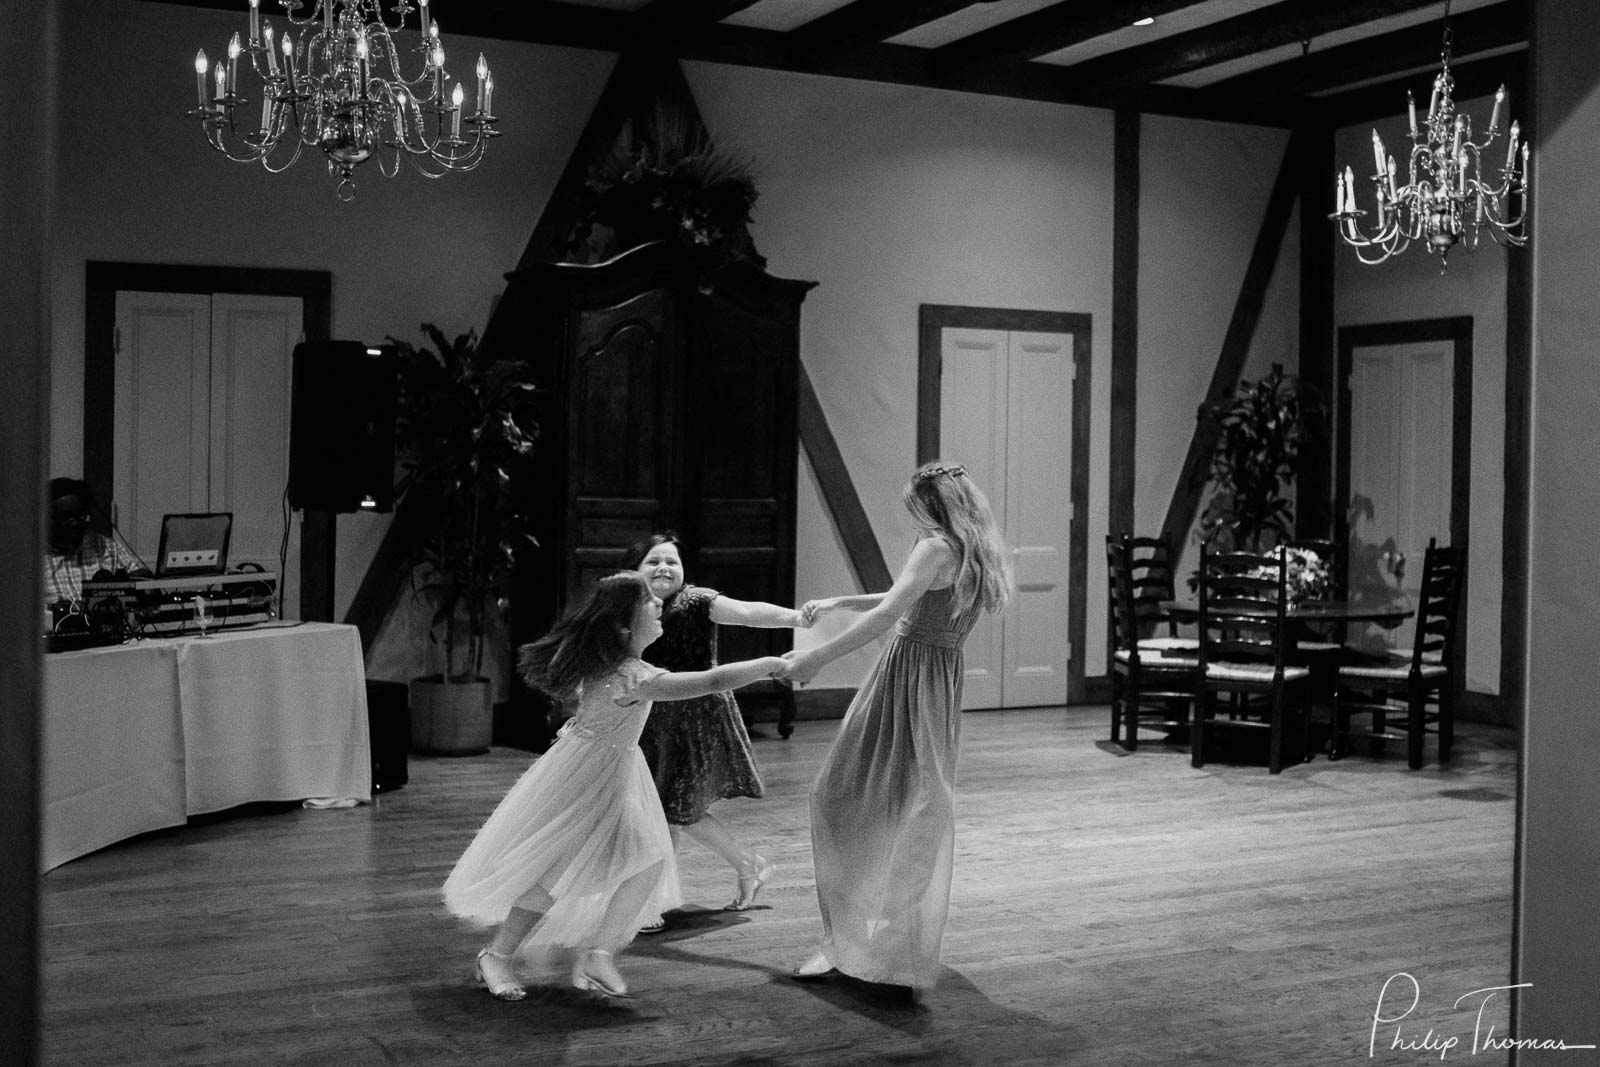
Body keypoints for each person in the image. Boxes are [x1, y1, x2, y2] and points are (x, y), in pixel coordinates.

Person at [442, 571, 786, 1002]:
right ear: (626, 625)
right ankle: (497, 954)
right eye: (648, 602)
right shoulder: (631, 678)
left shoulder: (622, 669)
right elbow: (711, 682)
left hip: (610, 771)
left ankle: (599, 953)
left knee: (647, 859)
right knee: (554, 872)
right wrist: (771, 665)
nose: (659, 604)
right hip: (587, 778)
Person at [776, 461, 1011, 995]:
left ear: (935, 507)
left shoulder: (933, 548)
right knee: (910, 802)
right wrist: (839, 603)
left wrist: (815, 660)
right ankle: (874, 938)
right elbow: (900, 600)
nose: (912, 522)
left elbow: (889, 618)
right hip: (935, 683)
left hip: (906, 677)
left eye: (915, 511)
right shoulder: (968, 550)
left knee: (837, 796)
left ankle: (853, 940)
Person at [619, 532, 807, 925]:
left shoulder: (696, 601)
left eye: (672, 561)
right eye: (653, 561)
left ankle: (655, 901)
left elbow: (748, 613)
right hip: (653, 718)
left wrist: (794, 618)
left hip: (697, 718)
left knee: (673, 807)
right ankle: (744, 865)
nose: (664, 568)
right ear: (634, 569)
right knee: (669, 808)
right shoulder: (628, 606)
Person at [44, 477, 143, 610]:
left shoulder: (106, 547)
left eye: (81, 516)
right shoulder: (28, 560)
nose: (75, 523)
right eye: (67, 517)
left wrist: (136, 585)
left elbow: (143, 577)